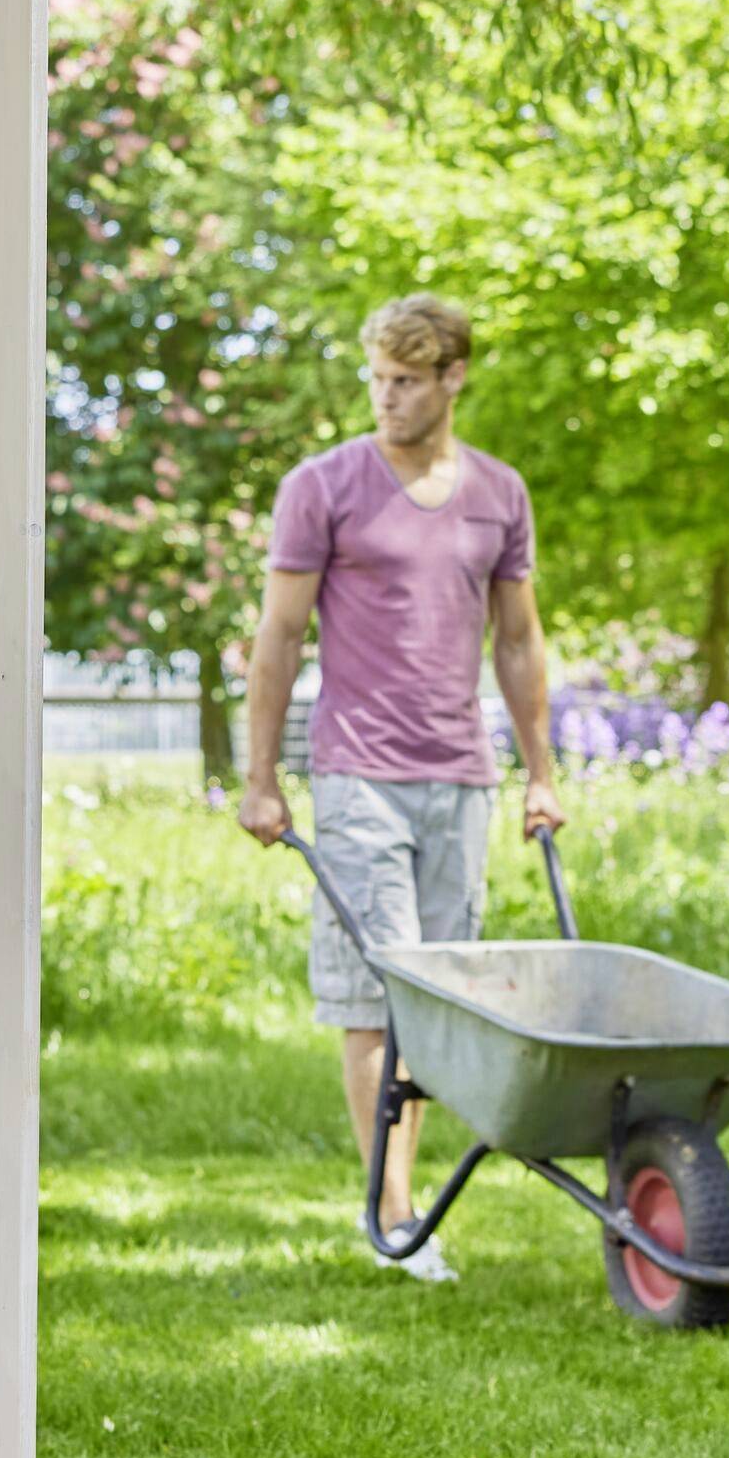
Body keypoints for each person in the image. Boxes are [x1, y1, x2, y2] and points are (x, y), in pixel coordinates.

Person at [238, 293, 565, 1281]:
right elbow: (280, 638)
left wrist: (540, 776)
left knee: (434, 1003)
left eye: (406, 381)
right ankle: (392, 1214)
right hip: (356, 775)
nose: (386, 398)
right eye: (376, 379)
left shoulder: (498, 495)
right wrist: (260, 778)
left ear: (454, 377)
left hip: (458, 776)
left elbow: (517, 640)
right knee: (374, 997)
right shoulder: (323, 486)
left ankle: (401, 1208)